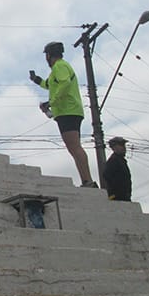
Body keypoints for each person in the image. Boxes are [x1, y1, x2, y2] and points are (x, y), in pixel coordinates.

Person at [30, 42, 97, 188]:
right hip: (68, 111)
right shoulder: (60, 67)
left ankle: (88, 181)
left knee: (75, 147)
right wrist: (36, 80)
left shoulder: (59, 66)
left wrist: (51, 102)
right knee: (73, 148)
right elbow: (49, 85)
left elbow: (65, 84)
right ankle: (86, 181)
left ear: (49, 55)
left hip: (68, 111)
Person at [104, 136, 131, 201]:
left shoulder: (121, 160)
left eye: (124, 145)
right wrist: (117, 192)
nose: (124, 147)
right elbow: (106, 175)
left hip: (124, 196)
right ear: (114, 147)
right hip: (117, 197)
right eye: (121, 145)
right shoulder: (113, 161)